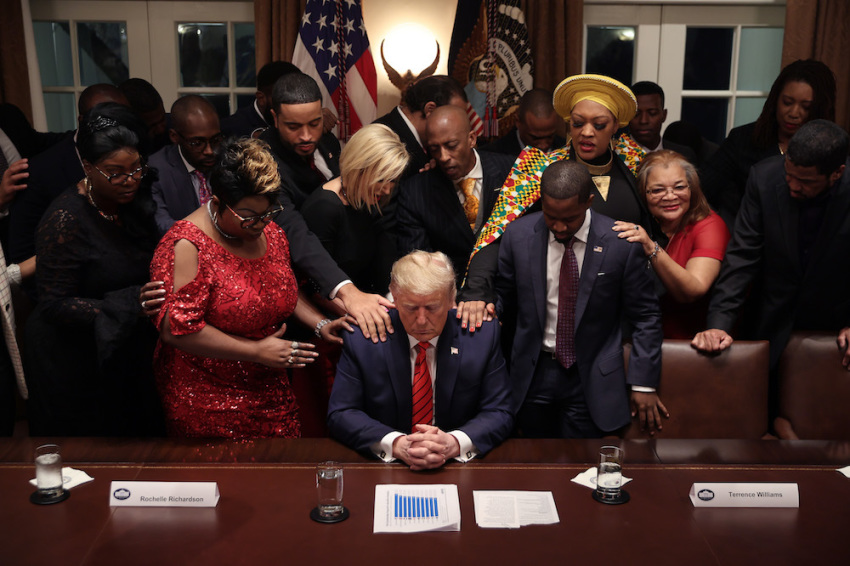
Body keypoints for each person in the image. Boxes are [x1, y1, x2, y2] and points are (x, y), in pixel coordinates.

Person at [151, 137, 352, 438]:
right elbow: (178, 328)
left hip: (270, 385)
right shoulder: (186, 245)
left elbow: (278, 287)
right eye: (248, 217)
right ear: (217, 203)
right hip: (207, 398)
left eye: (268, 213)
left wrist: (320, 323)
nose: (260, 224)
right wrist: (256, 351)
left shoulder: (271, 232)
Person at [458, 74, 656, 330]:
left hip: (628, 301)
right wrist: (476, 290)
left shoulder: (636, 162)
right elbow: (496, 234)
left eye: (599, 125)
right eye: (577, 123)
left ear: (616, 125)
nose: (586, 132)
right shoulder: (538, 168)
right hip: (558, 303)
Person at [495, 159, 665, 438]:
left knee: (582, 469)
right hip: (533, 373)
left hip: (593, 378)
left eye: (569, 219)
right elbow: (505, 298)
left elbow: (646, 316)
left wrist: (643, 383)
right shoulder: (518, 236)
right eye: (551, 216)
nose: (559, 227)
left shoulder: (620, 244)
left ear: (588, 201)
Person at [692, 120, 850, 415]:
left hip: (835, 330)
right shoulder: (765, 177)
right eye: (789, 174)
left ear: (837, 173)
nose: (792, 185)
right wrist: (719, 323)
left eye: (805, 182)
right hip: (771, 320)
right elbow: (741, 257)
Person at [24, 102, 163, 436]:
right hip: (71, 355)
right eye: (115, 172)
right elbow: (54, 304)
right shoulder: (65, 220)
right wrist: (132, 304)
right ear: (88, 166)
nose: (129, 180)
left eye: (135, 168)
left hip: (123, 345)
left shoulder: (129, 200)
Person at [328, 250, 513, 469]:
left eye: (432, 307)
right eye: (411, 308)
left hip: (456, 466)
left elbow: (500, 411)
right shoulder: (363, 337)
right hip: (386, 467)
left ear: (452, 298)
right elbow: (341, 413)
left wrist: (454, 443)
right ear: (393, 296)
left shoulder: (480, 335)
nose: (422, 320)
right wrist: (396, 444)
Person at [701, 59, 836, 227]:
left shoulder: (834, 148)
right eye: (787, 102)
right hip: (748, 238)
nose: (794, 113)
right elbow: (702, 190)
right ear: (775, 100)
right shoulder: (743, 139)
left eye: (806, 107)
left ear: (821, 109)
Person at [8, 84, 132, 264]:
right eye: (106, 122)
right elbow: (23, 253)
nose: (118, 130)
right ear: (82, 121)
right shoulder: (39, 173)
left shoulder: (134, 157)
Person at [613, 150, 730, 338]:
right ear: (643, 194)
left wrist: (651, 248)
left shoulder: (710, 226)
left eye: (679, 187)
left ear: (692, 188)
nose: (670, 196)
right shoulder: (642, 223)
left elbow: (694, 289)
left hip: (689, 346)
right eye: (658, 190)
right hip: (639, 339)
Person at [395, 105, 513, 288]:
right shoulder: (415, 192)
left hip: (509, 293)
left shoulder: (511, 172)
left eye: (451, 146)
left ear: (472, 139)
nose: (443, 157)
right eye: (434, 148)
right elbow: (418, 265)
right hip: (451, 299)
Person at [301, 123, 409, 297]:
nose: (388, 190)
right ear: (358, 167)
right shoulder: (324, 208)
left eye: (393, 180)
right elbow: (315, 286)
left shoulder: (369, 198)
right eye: (381, 179)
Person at [260, 72, 340, 210]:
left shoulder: (329, 140)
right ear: (275, 118)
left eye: (314, 124)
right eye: (293, 127)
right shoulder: (263, 162)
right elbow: (289, 224)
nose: (306, 136)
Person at [149, 95, 223, 235]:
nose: (209, 151)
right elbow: (162, 224)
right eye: (197, 143)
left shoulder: (228, 159)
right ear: (174, 137)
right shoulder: (156, 171)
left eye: (215, 140)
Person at [373, 75, 468, 181]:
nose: (459, 124)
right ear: (430, 110)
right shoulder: (380, 140)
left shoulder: (432, 146)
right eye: (454, 116)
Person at [221, 61, 300, 139]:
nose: (293, 106)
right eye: (285, 100)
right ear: (261, 98)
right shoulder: (232, 129)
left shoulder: (303, 123)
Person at [483, 88, 565, 158]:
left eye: (549, 137)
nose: (544, 145)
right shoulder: (492, 155)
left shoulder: (567, 151)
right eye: (535, 138)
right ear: (518, 122)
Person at [627, 81, 697, 163]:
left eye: (652, 113)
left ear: (664, 115)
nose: (643, 120)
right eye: (636, 114)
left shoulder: (683, 154)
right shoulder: (614, 155)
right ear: (627, 116)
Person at [119, 77, 170, 153]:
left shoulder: (176, 131)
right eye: (152, 126)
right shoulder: (120, 144)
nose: (160, 129)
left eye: (162, 119)